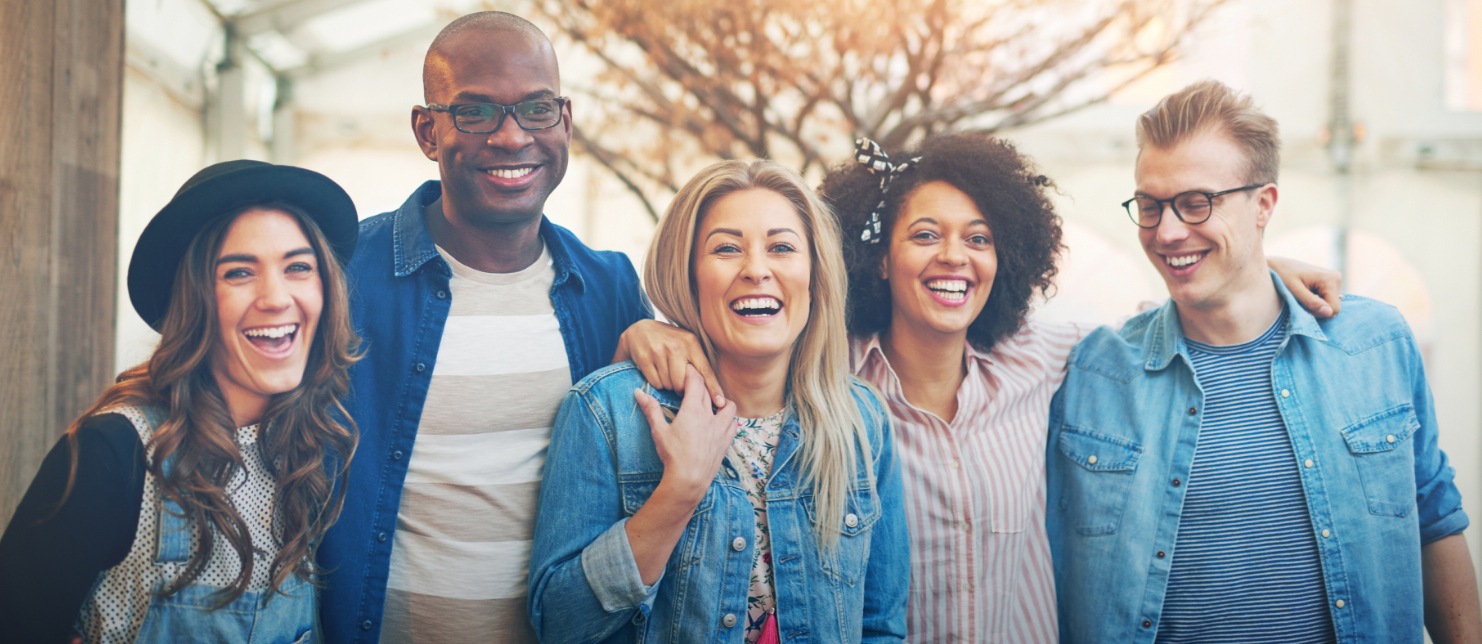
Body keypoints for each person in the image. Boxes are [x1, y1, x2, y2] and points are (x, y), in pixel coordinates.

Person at [621, 132, 1340, 642]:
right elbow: (745, 325)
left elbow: (1165, 325)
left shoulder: (1048, 360)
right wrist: (650, 333)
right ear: (876, 258)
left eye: (979, 237)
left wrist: (1259, 265)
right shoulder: (825, 376)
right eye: (925, 234)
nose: (954, 257)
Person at [1046, 79, 1482, 642]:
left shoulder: (1375, 344)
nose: (1167, 231)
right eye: (1150, 206)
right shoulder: (1092, 372)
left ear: (1264, 205)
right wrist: (1234, 255)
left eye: (1196, 203)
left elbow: (1434, 519)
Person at [315, 12, 655, 643]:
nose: (509, 136)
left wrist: (673, 337)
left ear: (565, 121)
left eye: (536, 108)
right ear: (427, 129)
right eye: (475, 112)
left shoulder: (610, 290)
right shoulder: (344, 277)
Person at [528, 159, 909, 642]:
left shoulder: (862, 420)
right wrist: (678, 493)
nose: (756, 270)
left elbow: (880, 626)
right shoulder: (607, 412)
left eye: (782, 248)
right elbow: (560, 625)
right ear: (689, 275)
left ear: (815, 277)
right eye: (727, 248)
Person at [0, 160, 361, 643]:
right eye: (238, 272)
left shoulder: (308, 454)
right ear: (193, 298)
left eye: (298, 267)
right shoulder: (116, 452)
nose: (276, 297)